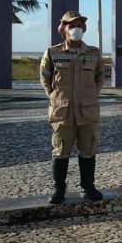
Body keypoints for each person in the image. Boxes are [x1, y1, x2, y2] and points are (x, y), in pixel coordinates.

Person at [40, 11, 105, 204]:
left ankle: (88, 187)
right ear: (63, 29)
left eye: (79, 25)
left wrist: (91, 96)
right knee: (60, 152)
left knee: (88, 150)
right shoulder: (53, 52)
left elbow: (100, 77)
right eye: (71, 25)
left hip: (88, 111)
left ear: (84, 29)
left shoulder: (94, 53)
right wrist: (54, 97)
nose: (75, 29)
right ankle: (59, 190)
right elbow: (45, 78)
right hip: (62, 112)